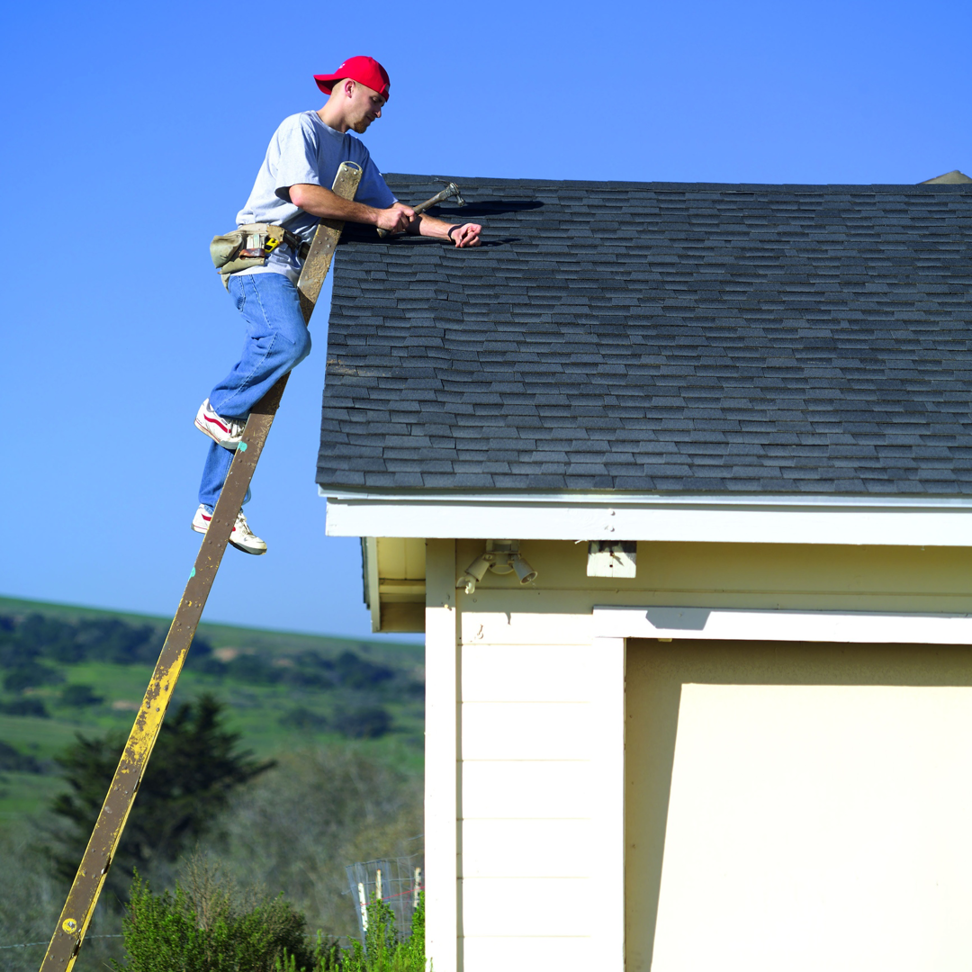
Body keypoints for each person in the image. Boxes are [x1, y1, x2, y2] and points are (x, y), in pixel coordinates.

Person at [192, 56, 482, 554]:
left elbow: (394, 218)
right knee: (286, 342)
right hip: (261, 260)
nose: (380, 112)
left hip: (296, 269)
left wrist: (448, 231)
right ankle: (216, 405)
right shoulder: (299, 129)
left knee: (256, 390)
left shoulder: (356, 155)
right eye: (377, 100)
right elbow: (305, 195)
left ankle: (214, 506)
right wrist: (374, 215)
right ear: (348, 89)